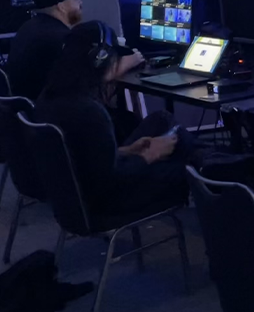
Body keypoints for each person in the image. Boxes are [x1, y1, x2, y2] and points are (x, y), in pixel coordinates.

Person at [34, 21, 192, 215]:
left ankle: (212, 165)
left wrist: (127, 151)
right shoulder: (89, 112)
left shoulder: (48, 98)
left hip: (75, 199)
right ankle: (214, 179)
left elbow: (84, 160)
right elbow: (111, 180)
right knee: (184, 167)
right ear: (99, 60)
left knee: (161, 120)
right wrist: (150, 154)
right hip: (103, 206)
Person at [7, 0, 143, 101]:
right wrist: (129, 61)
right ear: (61, 6)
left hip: (33, 111)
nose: (81, 3)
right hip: (54, 113)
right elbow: (89, 80)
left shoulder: (29, 28)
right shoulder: (59, 38)